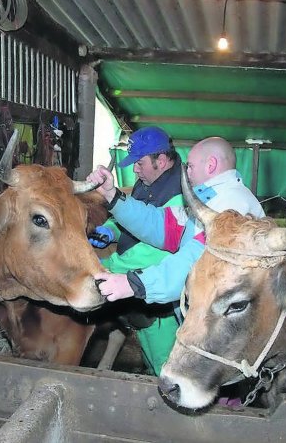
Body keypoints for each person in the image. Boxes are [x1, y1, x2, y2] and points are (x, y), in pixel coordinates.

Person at [87, 136, 265, 319]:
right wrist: (113, 196)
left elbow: (198, 262)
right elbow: (159, 224)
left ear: (211, 165)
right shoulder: (209, 199)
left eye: (190, 166)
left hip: (221, 327)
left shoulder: (232, 206)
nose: (186, 172)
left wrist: (134, 283)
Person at [88, 126, 184, 376]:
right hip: (143, 298)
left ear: (161, 161)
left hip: (163, 303)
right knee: (151, 361)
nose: (135, 169)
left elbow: (157, 251)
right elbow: (135, 218)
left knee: (168, 369)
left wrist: (108, 267)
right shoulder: (147, 183)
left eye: (139, 163)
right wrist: (110, 230)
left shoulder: (179, 197)